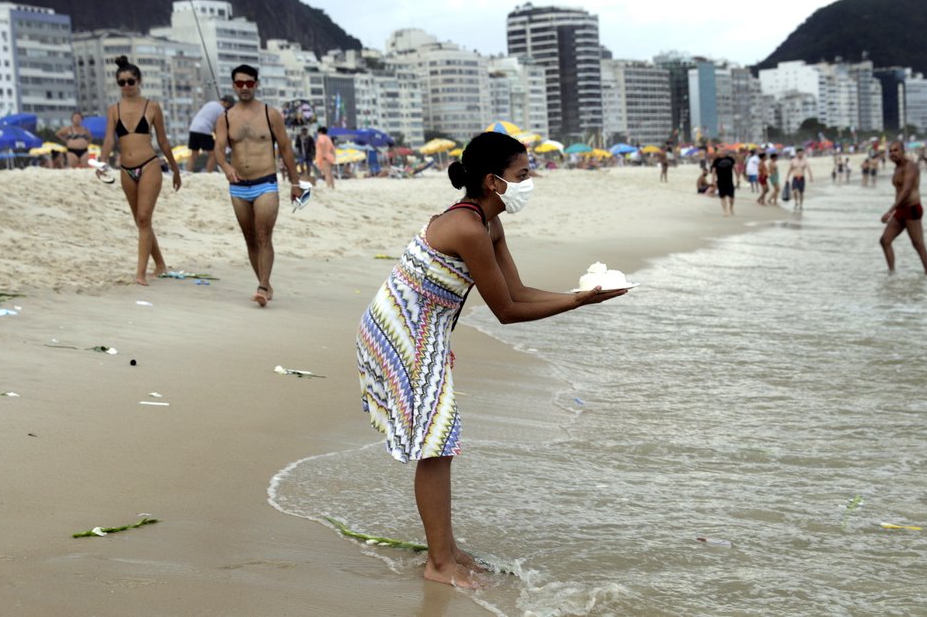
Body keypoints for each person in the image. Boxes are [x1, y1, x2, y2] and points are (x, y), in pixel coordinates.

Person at [355, 132, 626, 589]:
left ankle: (447, 550)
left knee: (439, 439)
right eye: (523, 174)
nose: (530, 181)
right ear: (493, 181)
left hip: (425, 329)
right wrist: (578, 304)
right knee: (435, 442)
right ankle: (439, 564)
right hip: (400, 330)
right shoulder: (466, 227)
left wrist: (581, 295)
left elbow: (517, 290)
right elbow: (507, 312)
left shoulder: (488, 222)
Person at [213, 64, 302, 307]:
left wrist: (295, 182)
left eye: (249, 83)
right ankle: (264, 282)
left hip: (266, 183)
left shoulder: (269, 114)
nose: (244, 87)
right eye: (239, 83)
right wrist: (227, 168)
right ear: (233, 85)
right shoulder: (225, 118)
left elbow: (285, 149)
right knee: (250, 237)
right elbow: (219, 149)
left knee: (264, 235)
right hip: (238, 186)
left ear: (256, 84)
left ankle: (262, 286)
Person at [97, 55, 181, 286]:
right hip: (126, 169)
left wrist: (175, 169)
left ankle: (141, 273)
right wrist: (102, 162)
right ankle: (160, 264)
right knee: (140, 221)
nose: (126, 86)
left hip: (149, 165)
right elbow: (108, 140)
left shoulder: (152, 106)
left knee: (144, 218)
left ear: (139, 80)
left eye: (130, 81)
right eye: (121, 82)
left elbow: (163, 141)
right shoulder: (114, 109)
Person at [880, 141, 927, 275]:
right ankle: (891, 274)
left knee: (918, 244)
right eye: (890, 151)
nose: (892, 153)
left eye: (896, 150)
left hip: (912, 209)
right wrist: (895, 210)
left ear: (903, 151)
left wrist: (890, 211)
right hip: (901, 210)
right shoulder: (896, 168)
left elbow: (906, 190)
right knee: (885, 240)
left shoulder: (911, 167)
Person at [186, 95, 234, 173]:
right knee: (214, 154)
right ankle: (208, 173)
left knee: (194, 153)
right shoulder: (221, 110)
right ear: (227, 103)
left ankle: (188, 171)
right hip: (204, 129)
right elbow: (218, 129)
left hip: (193, 128)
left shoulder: (211, 103)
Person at [711, 147, 736, 216]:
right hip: (720, 181)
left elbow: (735, 168)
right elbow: (713, 170)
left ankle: (731, 208)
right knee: (722, 197)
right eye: (721, 151)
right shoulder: (716, 160)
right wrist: (713, 180)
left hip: (729, 181)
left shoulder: (730, 159)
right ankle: (725, 211)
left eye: (724, 151)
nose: (723, 152)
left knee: (732, 197)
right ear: (719, 152)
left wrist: (738, 177)